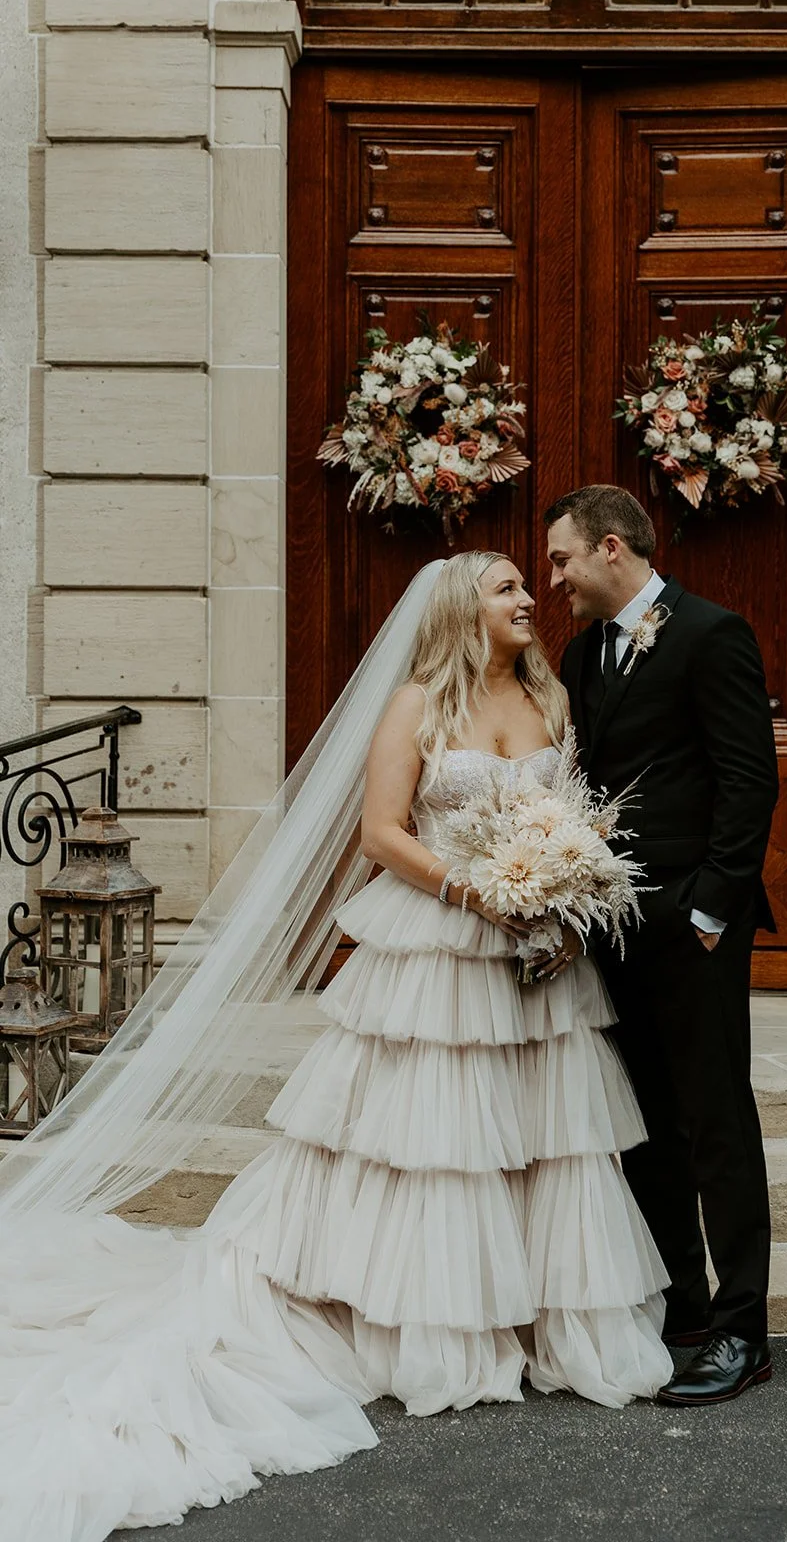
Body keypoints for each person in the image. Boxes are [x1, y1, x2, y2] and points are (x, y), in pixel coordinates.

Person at [0, 552, 670, 1542]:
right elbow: (380, 833)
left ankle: (540, 1319)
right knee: (437, 1143)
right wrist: (476, 890)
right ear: (462, 609)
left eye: (525, 585)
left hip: (536, 950)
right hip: (443, 944)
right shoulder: (414, 705)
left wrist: (560, 899)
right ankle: (438, 1327)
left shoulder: (551, 698)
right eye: (504, 588)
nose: (528, 597)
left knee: (538, 1137)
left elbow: (566, 820)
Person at [546, 485, 780, 1406]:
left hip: (693, 924)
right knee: (646, 1123)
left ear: (611, 548)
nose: (553, 578)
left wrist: (710, 912)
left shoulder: (711, 634)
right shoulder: (579, 654)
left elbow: (747, 780)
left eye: (562, 558)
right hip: (615, 925)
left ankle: (742, 1331)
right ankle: (682, 1304)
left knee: (717, 1121)